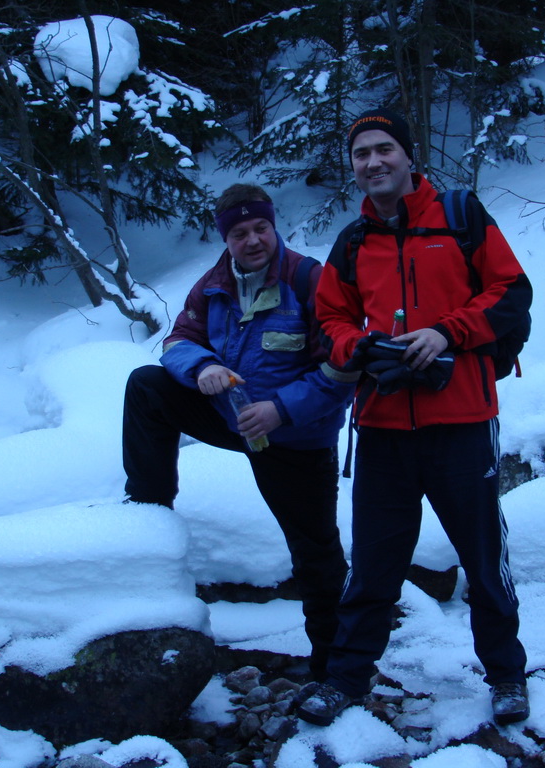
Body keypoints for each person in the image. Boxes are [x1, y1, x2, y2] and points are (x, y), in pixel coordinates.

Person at [297, 108, 533, 726]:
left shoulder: (460, 217)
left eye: (384, 150)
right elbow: (330, 320)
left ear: (407, 155)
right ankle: (346, 679)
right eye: (361, 154)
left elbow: (511, 294)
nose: (373, 162)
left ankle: (507, 675)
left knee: (483, 558)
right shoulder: (352, 242)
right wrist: (357, 348)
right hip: (381, 426)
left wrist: (446, 334)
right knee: (374, 561)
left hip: (462, 418)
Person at [121, 183, 358, 682]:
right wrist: (202, 365)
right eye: (240, 233)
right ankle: (146, 512)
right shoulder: (213, 284)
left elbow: (342, 367)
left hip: (295, 439)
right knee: (147, 386)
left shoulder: (310, 280)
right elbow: (179, 338)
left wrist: (280, 410)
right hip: (232, 418)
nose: (252, 240)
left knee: (316, 551)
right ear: (226, 239)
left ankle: (334, 665)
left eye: (260, 228)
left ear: (275, 228)